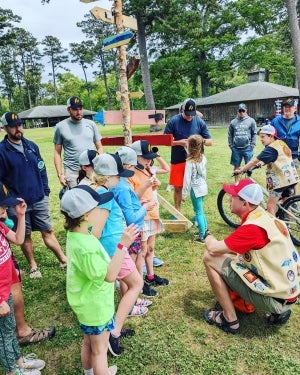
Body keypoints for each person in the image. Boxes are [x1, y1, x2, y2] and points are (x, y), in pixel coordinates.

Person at [203, 179, 300, 334]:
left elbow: (214, 249)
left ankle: (230, 320)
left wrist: (207, 236)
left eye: (233, 196)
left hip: (276, 299)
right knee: (238, 258)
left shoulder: (252, 228)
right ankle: (279, 311)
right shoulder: (266, 217)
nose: (229, 198)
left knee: (209, 257)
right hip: (291, 293)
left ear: (244, 204)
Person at [60, 185, 139, 375]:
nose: (100, 211)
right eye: (97, 208)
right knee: (100, 351)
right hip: (96, 308)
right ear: (86, 214)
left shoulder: (76, 235)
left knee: (89, 342)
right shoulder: (86, 246)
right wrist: (122, 245)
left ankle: (89, 373)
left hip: (85, 304)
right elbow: (110, 276)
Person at [91, 153, 146, 356]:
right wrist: (120, 243)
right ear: (108, 177)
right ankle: (113, 333)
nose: (121, 180)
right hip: (115, 247)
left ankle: (113, 328)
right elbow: (95, 231)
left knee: (127, 285)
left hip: (114, 247)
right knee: (136, 284)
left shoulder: (99, 191)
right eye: (118, 176)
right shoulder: (105, 196)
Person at [0, 112, 67, 278]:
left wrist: (45, 191)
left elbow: (41, 168)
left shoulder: (31, 146)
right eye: (13, 126)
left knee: (48, 230)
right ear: (5, 128)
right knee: (26, 235)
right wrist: (11, 201)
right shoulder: (2, 151)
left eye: (20, 125)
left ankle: (63, 259)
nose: (18, 128)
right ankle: (33, 265)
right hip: (17, 203)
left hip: (38, 198)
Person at [0, 183, 46, 375]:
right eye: (2, 206)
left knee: (9, 329)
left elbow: (18, 240)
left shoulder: (0, 225)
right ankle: (12, 371)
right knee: (3, 336)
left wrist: (20, 216)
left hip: (6, 288)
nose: (5, 209)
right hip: (0, 297)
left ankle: (19, 361)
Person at [129, 140, 169, 298]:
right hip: (141, 217)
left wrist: (154, 184)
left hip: (153, 214)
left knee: (150, 249)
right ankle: (140, 282)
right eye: (145, 157)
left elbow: (149, 190)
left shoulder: (147, 169)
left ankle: (150, 276)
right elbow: (132, 199)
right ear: (135, 157)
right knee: (142, 251)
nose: (148, 160)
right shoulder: (130, 174)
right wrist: (146, 185)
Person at [236, 124, 299, 215]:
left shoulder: (270, 149)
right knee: (286, 202)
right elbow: (277, 158)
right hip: (292, 178)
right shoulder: (280, 143)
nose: (261, 139)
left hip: (281, 181)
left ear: (271, 136)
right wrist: (262, 163)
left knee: (270, 206)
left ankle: (272, 227)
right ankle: (286, 225)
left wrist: (241, 170)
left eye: (263, 137)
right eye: (260, 137)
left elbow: (254, 161)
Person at [164, 98, 212, 211]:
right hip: (178, 160)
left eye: (192, 114)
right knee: (178, 187)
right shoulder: (173, 121)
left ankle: (198, 213)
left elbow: (210, 142)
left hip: (195, 161)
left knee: (197, 188)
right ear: (182, 110)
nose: (190, 117)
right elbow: (165, 141)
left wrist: (198, 141)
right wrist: (179, 142)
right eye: (187, 114)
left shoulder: (199, 121)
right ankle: (177, 212)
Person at [53, 96, 103, 188]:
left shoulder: (91, 124)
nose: (79, 112)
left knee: (95, 198)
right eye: (75, 109)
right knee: (77, 199)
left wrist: (99, 164)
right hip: (72, 172)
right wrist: (60, 175)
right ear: (69, 110)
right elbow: (57, 152)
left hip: (91, 170)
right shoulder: (60, 127)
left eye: (80, 109)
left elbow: (99, 147)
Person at [182, 134, 209, 243]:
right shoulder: (203, 158)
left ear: (190, 147)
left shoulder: (189, 162)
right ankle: (205, 231)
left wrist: (184, 194)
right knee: (201, 211)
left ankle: (202, 236)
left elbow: (187, 179)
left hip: (196, 190)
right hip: (203, 187)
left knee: (198, 212)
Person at [149, 146, 170, 266]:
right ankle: (146, 258)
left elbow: (167, 169)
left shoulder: (152, 169)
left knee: (152, 234)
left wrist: (157, 156)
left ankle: (152, 255)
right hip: (146, 205)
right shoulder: (139, 171)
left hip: (154, 206)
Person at [228, 103, 257, 181]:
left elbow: (254, 133)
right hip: (236, 149)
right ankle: (236, 183)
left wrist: (252, 145)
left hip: (248, 148)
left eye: (243, 111)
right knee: (236, 166)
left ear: (246, 110)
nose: (241, 113)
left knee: (249, 166)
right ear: (237, 111)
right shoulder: (233, 122)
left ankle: (249, 182)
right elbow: (230, 135)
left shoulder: (251, 121)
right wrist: (231, 146)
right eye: (240, 111)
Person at [272, 98, 300, 174]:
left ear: (295, 108)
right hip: (278, 156)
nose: (287, 109)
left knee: (292, 181)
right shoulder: (275, 121)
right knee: (278, 181)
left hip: (293, 157)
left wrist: (298, 158)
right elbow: (270, 138)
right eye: (285, 107)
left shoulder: (299, 122)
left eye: (289, 107)